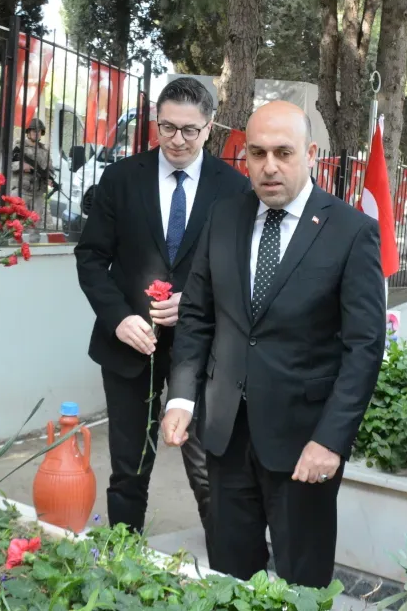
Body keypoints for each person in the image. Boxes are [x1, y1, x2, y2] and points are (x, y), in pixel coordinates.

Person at [161, 100, 386, 588]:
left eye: (283, 153)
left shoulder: (350, 232)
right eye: (257, 153)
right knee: (229, 582)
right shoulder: (224, 217)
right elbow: (197, 315)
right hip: (225, 437)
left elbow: (365, 347)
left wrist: (331, 440)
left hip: (305, 444)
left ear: (311, 154)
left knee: (301, 586)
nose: (268, 167)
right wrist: (181, 397)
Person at [74, 77, 250, 545]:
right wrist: (118, 318)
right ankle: (123, 559)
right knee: (129, 466)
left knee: (209, 466)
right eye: (167, 127)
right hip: (130, 345)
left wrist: (193, 301)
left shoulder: (235, 189)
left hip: (204, 353)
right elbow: (90, 258)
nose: (177, 140)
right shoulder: (121, 179)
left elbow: (242, 273)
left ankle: (229, 563)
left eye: (190, 130)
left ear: (209, 127)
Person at [11, 118, 56, 229]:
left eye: (39, 131)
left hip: (38, 194)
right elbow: (8, 164)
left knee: (35, 227)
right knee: (17, 226)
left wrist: (50, 178)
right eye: (34, 131)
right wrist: (21, 166)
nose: (37, 133)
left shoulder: (44, 151)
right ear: (28, 132)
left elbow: (50, 169)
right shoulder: (19, 147)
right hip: (21, 192)